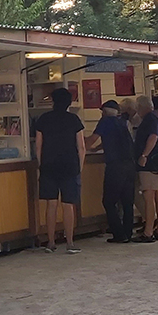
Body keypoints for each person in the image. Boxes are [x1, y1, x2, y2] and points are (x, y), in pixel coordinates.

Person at [33, 87, 85, 253]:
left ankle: (50, 242)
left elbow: (38, 146)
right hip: (69, 165)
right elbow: (81, 147)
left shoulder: (43, 119)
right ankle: (69, 242)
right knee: (68, 205)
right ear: (69, 102)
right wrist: (79, 167)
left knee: (51, 204)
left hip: (49, 165)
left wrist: (41, 165)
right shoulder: (74, 120)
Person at [89, 100, 135, 243]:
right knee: (127, 202)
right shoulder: (122, 122)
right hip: (130, 165)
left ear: (105, 112)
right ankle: (128, 232)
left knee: (108, 201)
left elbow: (92, 139)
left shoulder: (105, 122)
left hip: (115, 166)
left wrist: (81, 145)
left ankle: (119, 234)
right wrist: (97, 149)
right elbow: (111, 140)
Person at [133, 95, 158, 242]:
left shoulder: (150, 119)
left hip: (150, 164)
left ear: (141, 108)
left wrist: (144, 155)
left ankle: (148, 232)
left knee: (148, 197)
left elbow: (153, 137)